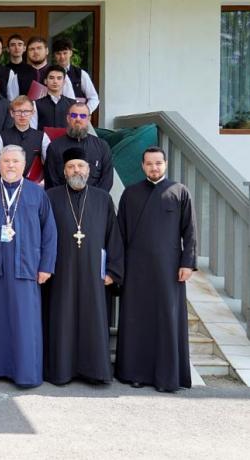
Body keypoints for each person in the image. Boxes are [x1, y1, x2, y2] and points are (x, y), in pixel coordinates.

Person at [0, 145, 57, 388]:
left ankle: (25, 372)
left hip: (26, 266)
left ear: (24, 165)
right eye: (6, 161)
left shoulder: (37, 193)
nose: (10, 165)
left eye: (15, 161)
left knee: (24, 322)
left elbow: (50, 232)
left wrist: (46, 266)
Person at [115, 147, 197, 392]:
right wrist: (118, 267)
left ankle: (167, 377)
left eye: (158, 163)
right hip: (136, 269)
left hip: (168, 269)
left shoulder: (179, 192)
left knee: (166, 320)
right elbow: (120, 234)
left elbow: (190, 231)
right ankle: (135, 373)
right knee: (136, 320)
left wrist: (187, 263)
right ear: (142, 165)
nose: (154, 167)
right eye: (149, 163)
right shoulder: (130, 193)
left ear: (166, 164)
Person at [43, 147, 124, 386]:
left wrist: (113, 271)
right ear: (64, 171)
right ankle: (61, 371)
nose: (76, 170)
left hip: (94, 274)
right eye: (71, 167)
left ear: (89, 170)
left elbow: (113, 236)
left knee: (93, 321)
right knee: (62, 320)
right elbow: (42, 235)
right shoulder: (51, 196)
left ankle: (94, 371)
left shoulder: (102, 198)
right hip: (61, 273)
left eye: (80, 166)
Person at [44, 103, 114, 192]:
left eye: (83, 116)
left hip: (95, 199)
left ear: (89, 119)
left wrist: (94, 197)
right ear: (68, 118)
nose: (78, 119)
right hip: (63, 199)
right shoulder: (54, 147)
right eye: (74, 115)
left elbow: (107, 180)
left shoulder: (102, 146)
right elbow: (51, 181)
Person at [0, 96, 50, 179]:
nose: (22, 115)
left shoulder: (42, 137)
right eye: (18, 111)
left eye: (26, 111)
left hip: (34, 183)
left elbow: (49, 164)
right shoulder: (1, 136)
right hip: (8, 182)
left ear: (32, 112)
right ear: (12, 113)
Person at [53, 37, 99, 114]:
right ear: (54, 55)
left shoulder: (81, 74)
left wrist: (85, 112)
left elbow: (94, 98)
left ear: (70, 53)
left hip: (77, 117)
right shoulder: (49, 74)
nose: (62, 57)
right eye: (58, 54)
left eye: (65, 53)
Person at [33, 65, 74, 131]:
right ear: (45, 81)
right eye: (51, 78)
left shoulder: (74, 104)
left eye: (59, 78)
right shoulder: (35, 104)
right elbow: (33, 130)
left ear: (64, 82)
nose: (55, 81)